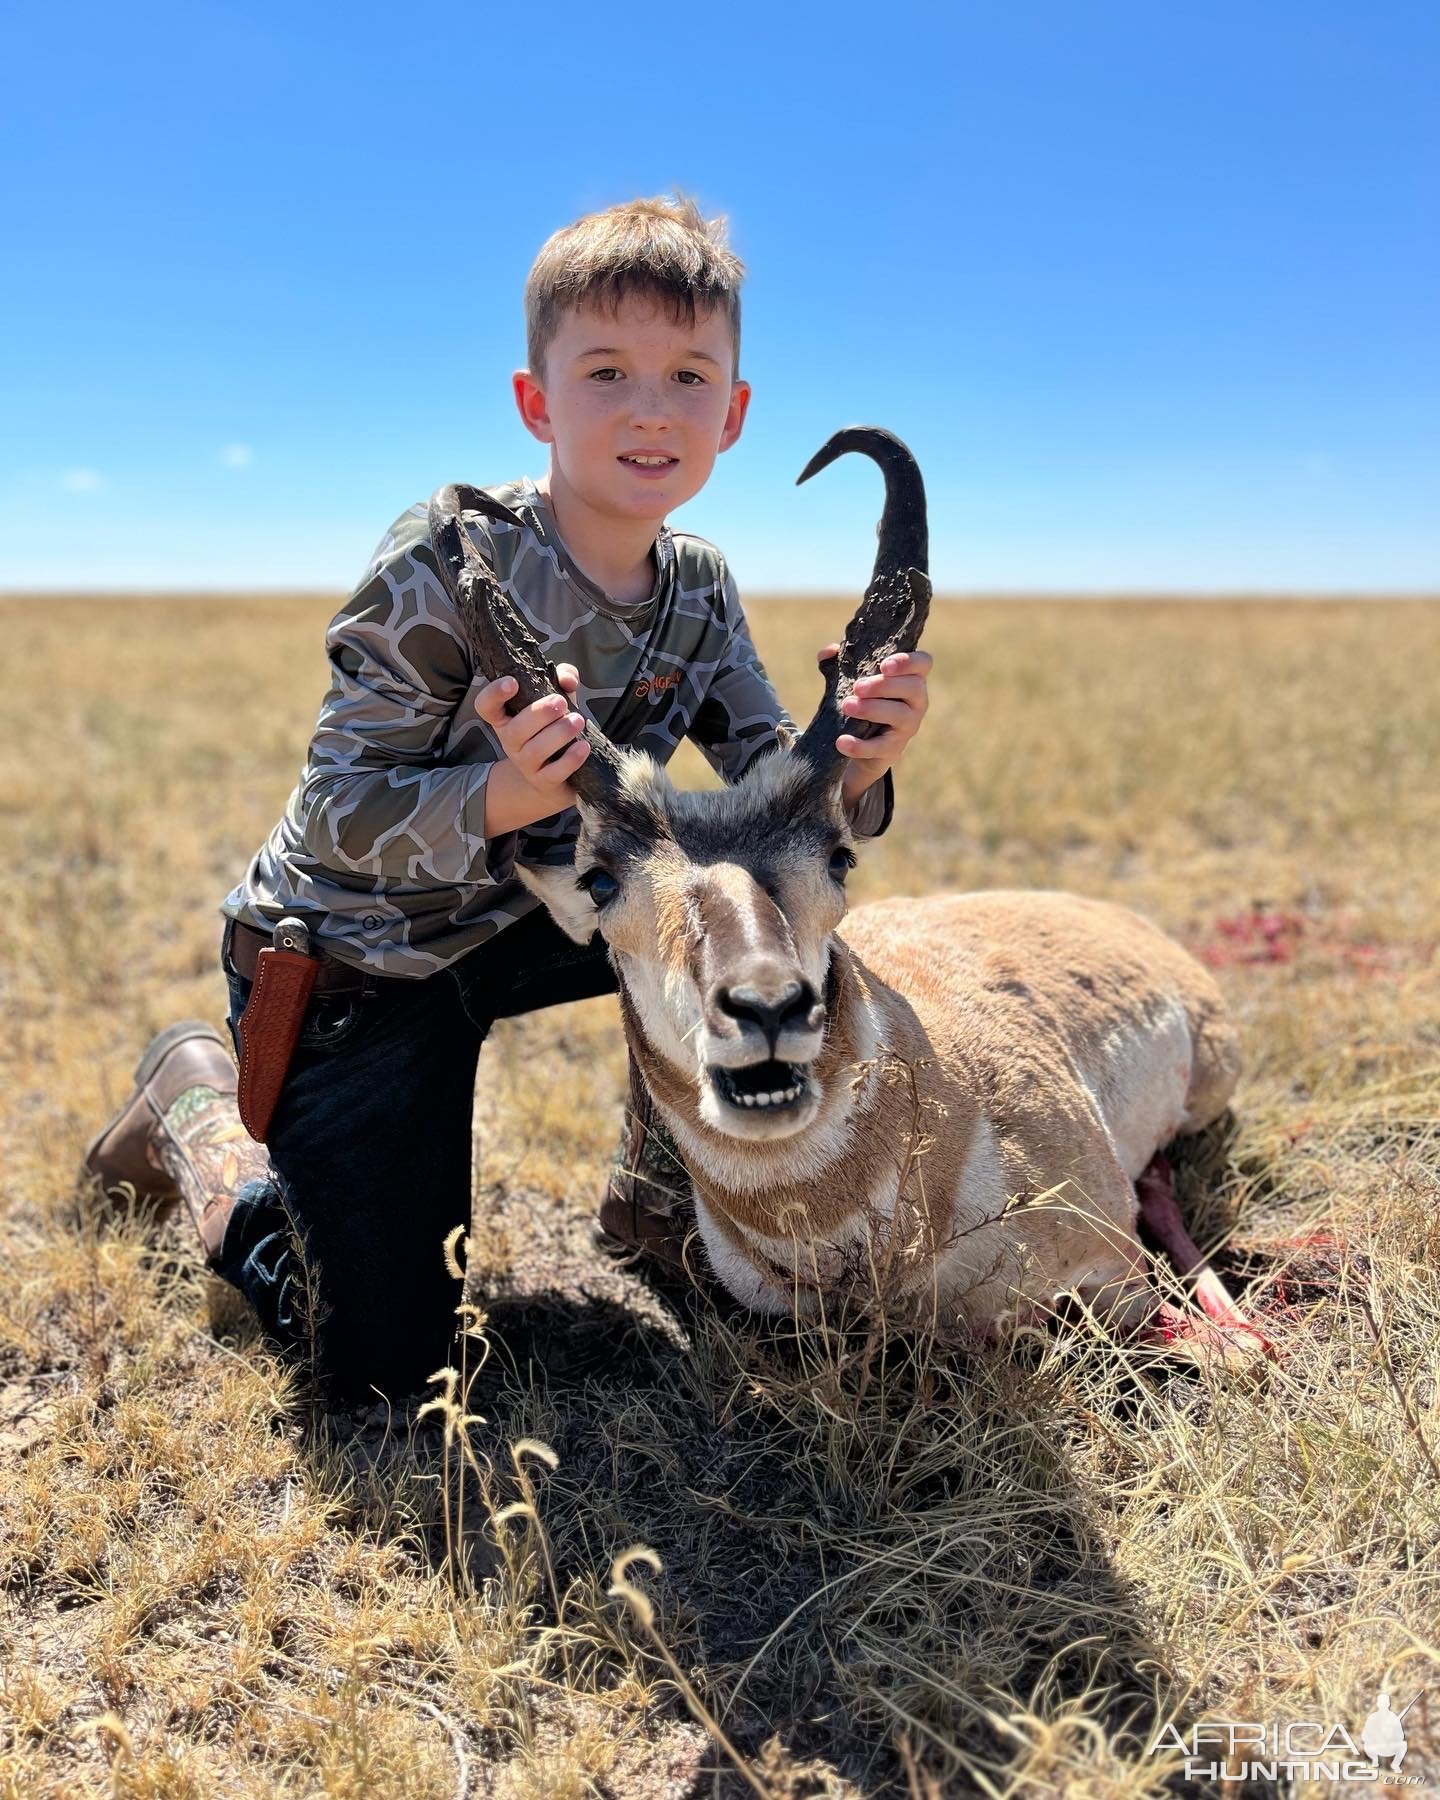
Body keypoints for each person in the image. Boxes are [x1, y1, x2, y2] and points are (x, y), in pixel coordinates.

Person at [81, 194, 934, 1405]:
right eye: (606, 372)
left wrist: (863, 757)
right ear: (536, 402)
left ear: (734, 414)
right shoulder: (441, 561)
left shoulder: (699, 585)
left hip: (540, 916)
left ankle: (656, 1202)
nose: (651, 408)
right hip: (356, 961)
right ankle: (199, 1115)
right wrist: (501, 790)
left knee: (751, 921)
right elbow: (333, 816)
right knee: (380, 1371)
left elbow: (763, 805)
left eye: (689, 375)